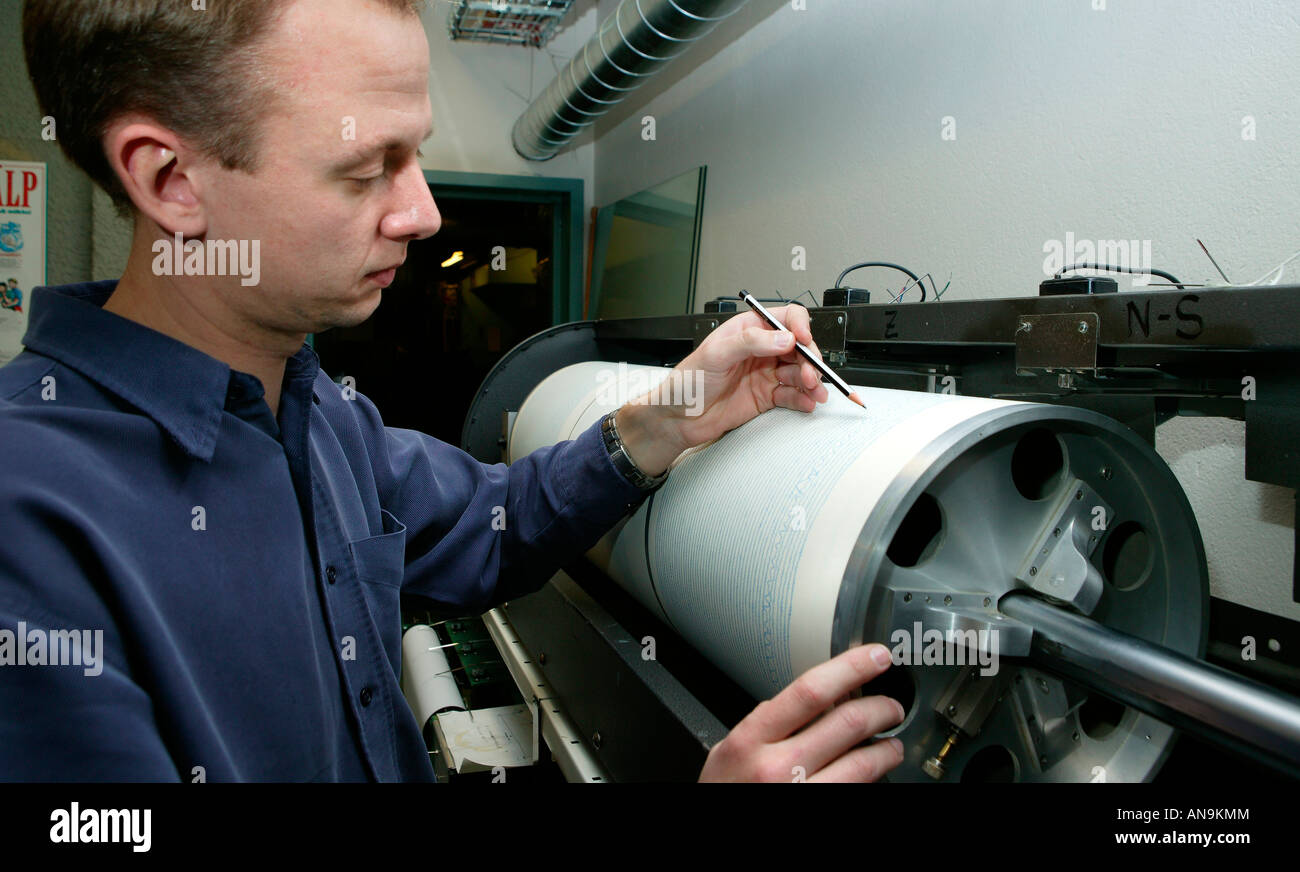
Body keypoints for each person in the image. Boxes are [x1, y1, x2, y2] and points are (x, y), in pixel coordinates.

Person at [1, 0, 905, 783]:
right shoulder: (31, 527)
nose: (424, 213)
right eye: (367, 169)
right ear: (171, 180)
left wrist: (673, 416)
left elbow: (493, 524)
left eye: (417, 155)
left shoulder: (321, 418)